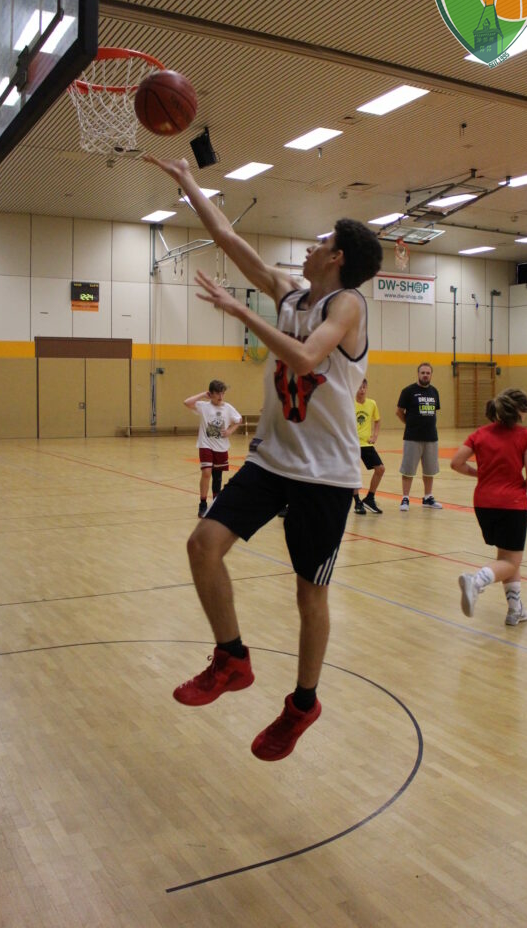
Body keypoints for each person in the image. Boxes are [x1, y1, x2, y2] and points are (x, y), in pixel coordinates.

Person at [144, 153, 382, 761]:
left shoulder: (347, 305)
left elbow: (305, 358)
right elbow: (229, 238)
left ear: (338, 258)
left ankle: (303, 704)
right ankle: (232, 658)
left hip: (325, 476)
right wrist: (189, 183)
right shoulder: (291, 292)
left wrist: (241, 312)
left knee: (309, 595)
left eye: (321, 242)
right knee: (203, 544)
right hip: (272, 460)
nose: (311, 246)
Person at [450, 388, 527, 626]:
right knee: (512, 562)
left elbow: (456, 463)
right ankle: (476, 581)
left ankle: (515, 610)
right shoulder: (526, 436)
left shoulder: (480, 434)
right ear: (519, 411)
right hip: (512, 504)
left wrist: (479, 474)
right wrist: (521, 487)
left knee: (506, 557)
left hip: (483, 504)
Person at [184, 380, 242, 517]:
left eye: (222, 393)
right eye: (217, 393)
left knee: (217, 477)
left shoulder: (228, 408)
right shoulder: (204, 406)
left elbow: (238, 420)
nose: (221, 396)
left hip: (221, 447)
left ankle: (215, 505)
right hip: (206, 445)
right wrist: (202, 395)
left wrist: (230, 431)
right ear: (211, 394)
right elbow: (187, 402)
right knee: (206, 472)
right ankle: (203, 504)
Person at [396, 362, 442, 511]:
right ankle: (405, 498)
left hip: (431, 438)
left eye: (428, 373)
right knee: (408, 470)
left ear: (431, 375)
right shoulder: (408, 391)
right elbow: (399, 412)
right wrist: (409, 423)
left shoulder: (434, 391)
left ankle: (428, 497)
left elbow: (434, 412)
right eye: (423, 373)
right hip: (412, 437)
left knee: (429, 470)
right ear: (418, 374)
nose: (425, 375)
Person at [352, 378, 385, 514]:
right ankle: (357, 502)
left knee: (380, 469)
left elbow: (377, 421)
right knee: (354, 473)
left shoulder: (372, 404)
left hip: (366, 444)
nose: (362, 390)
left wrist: (374, 436)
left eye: (364, 387)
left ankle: (370, 498)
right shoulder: (349, 403)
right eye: (359, 387)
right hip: (352, 444)